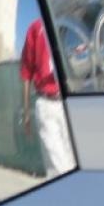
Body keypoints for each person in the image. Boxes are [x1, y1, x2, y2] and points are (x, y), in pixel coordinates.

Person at [20, 19, 74, 175]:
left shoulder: (71, 20)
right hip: (47, 103)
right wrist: (26, 112)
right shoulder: (37, 27)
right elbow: (26, 71)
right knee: (58, 167)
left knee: (74, 160)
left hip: (73, 101)